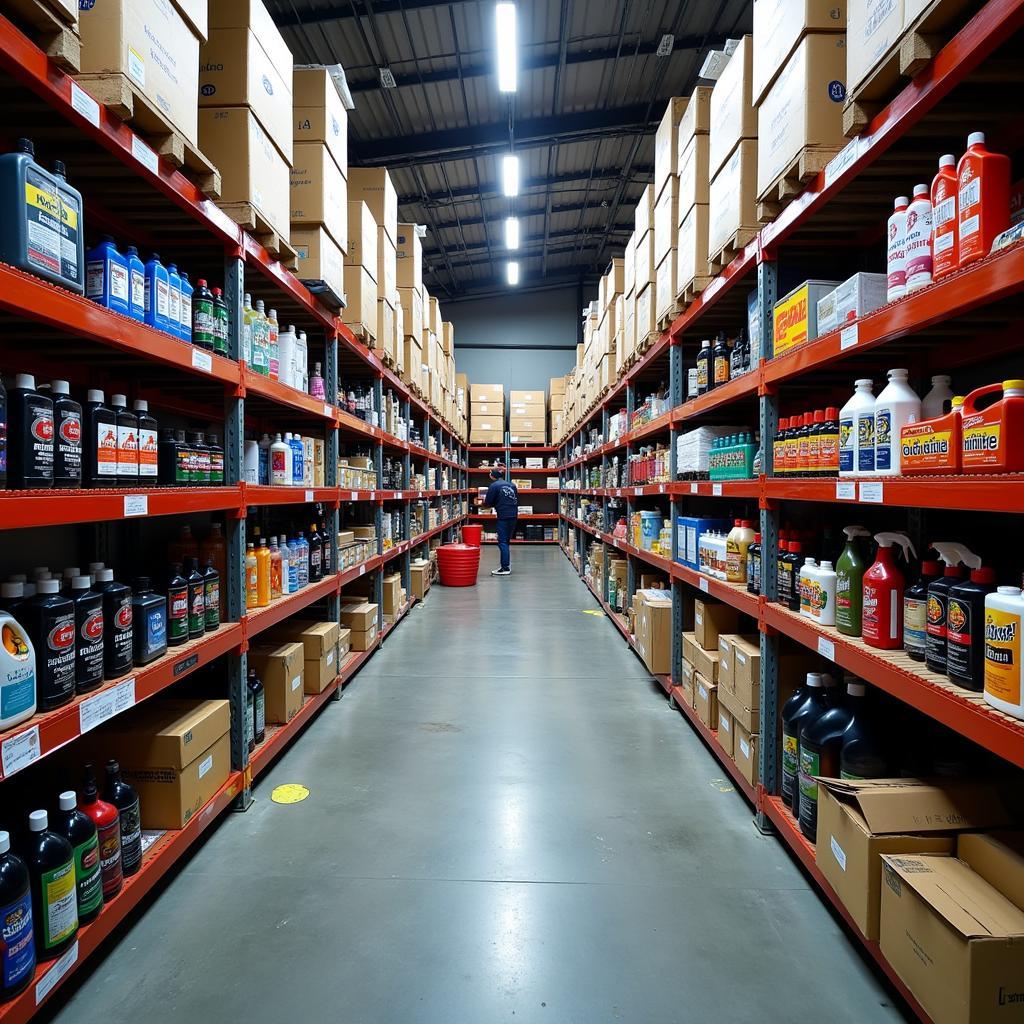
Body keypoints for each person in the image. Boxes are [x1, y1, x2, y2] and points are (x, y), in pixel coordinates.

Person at [481, 466, 518, 576]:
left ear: (493, 475)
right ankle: (505, 566)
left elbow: (488, 502)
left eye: (490, 473)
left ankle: (505, 567)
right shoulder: (512, 485)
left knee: (502, 542)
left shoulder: (494, 486)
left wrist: (481, 504)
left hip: (503, 516)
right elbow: (515, 499)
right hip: (513, 515)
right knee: (506, 542)